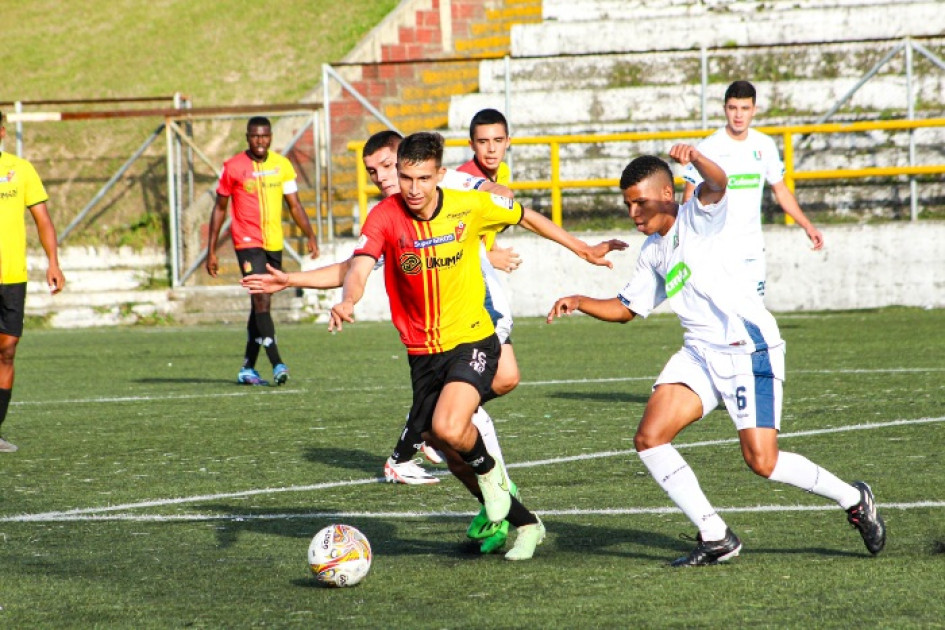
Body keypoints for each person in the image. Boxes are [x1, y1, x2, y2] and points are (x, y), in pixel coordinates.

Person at [243, 130, 627, 554]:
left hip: (472, 337)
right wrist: (344, 298)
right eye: (404, 177)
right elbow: (358, 266)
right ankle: (526, 521)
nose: (411, 188)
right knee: (450, 448)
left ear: (439, 175)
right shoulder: (385, 217)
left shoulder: (467, 203)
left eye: (422, 178)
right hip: (422, 353)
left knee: (449, 425)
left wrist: (582, 249)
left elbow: (525, 215)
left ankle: (492, 475)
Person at [547, 145, 886, 566]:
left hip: (747, 349)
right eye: (627, 203)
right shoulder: (653, 250)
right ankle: (716, 535)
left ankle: (853, 498)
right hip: (700, 355)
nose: (633, 212)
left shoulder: (699, 217)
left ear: (667, 194)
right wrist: (580, 300)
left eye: (640, 201)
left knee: (762, 462)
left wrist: (696, 156)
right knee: (649, 439)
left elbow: (719, 182)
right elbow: (626, 310)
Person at [682, 80, 824, 298]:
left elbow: (781, 191)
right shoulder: (708, 147)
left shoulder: (764, 145)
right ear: (724, 109)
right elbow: (688, 197)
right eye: (733, 108)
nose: (738, 115)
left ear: (754, 110)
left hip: (752, 249)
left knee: (754, 316)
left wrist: (807, 226)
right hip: (717, 249)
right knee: (724, 318)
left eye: (745, 108)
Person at [206, 116, 319, 386]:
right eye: (255, 136)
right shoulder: (233, 167)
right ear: (247, 137)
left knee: (259, 305)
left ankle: (247, 367)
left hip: (273, 243)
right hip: (247, 242)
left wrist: (310, 235)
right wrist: (211, 250)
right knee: (261, 300)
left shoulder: (282, 166)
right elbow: (220, 208)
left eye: (265, 136)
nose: (261, 141)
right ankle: (277, 361)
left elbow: (294, 204)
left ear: (270, 137)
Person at [0, 111, 66, 452]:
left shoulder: (20, 169)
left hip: (12, 277)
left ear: (1, 131)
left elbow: (43, 219)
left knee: (7, 351)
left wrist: (53, 261)